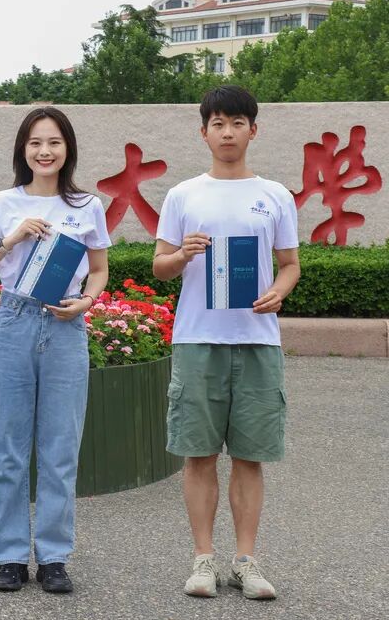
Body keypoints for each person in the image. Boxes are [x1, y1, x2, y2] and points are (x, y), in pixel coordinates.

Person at [153, 85, 300, 601]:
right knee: (197, 454)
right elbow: (160, 265)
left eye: (238, 123)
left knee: (249, 456)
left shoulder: (275, 195)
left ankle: (245, 560)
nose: (228, 132)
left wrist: (279, 291)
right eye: (218, 123)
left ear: (253, 130)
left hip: (257, 341)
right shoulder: (183, 195)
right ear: (204, 133)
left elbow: (290, 264)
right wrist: (182, 255)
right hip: (198, 339)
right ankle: (203, 559)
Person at [0, 106, 110, 594]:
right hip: (14, 321)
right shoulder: (3, 203)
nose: (45, 152)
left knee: (60, 449)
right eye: (35, 143)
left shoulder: (87, 206)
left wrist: (87, 301)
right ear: (22, 150)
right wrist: (13, 237)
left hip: (66, 325)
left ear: (68, 149)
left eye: (54, 143)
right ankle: (8, 556)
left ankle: (53, 557)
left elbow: (99, 270)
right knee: (7, 449)